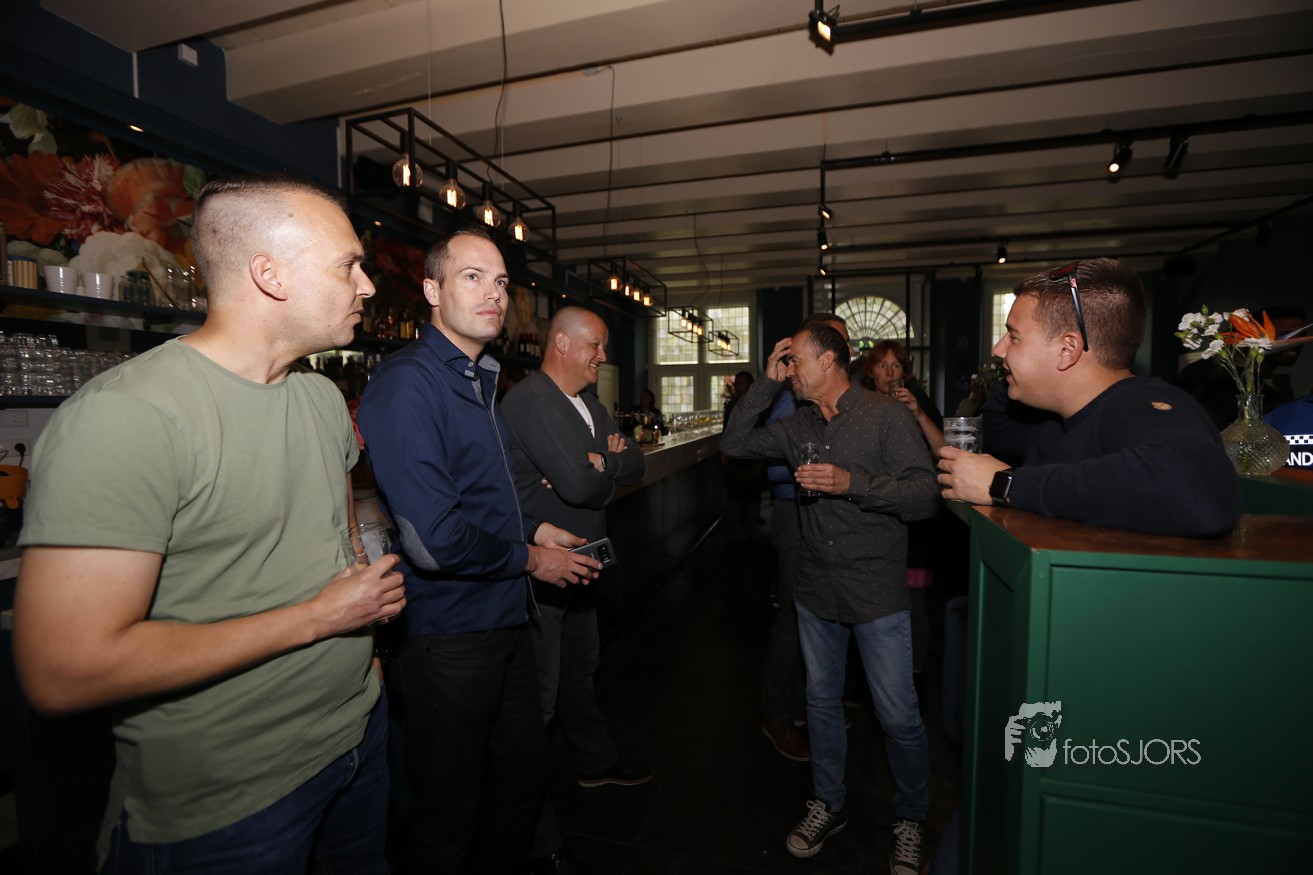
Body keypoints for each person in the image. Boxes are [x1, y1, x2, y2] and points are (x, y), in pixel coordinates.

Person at [13, 171, 407, 874]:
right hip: (230, 796)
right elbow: (63, 669)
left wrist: (361, 651)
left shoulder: (319, 397)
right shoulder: (128, 416)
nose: (367, 285)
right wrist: (318, 619)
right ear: (269, 275)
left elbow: (340, 543)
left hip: (355, 734)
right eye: (347, 265)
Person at [356, 226, 602, 874]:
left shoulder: (480, 377)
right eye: (473, 277)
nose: (494, 293)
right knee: (447, 811)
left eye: (500, 282)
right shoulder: (408, 383)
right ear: (431, 290)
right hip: (449, 636)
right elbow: (434, 540)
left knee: (522, 774)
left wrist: (534, 528)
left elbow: (483, 496)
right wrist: (533, 558)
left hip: (503, 617)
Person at [720, 321, 940, 874]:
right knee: (820, 703)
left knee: (897, 714)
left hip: (875, 590)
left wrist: (852, 484)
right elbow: (734, 442)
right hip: (816, 588)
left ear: (827, 361)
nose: (790, 369)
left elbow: (925, 496)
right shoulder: (797, 424)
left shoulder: (886, 416)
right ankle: (828, 802)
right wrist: (767, 383)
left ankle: (911, 817)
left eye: (795, 360)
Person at [500, 306, 650, 872]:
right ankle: (532, 831)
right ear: (561, 343)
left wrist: (600, 463)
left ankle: (594, 761)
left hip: (587, 562)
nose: (603, 356)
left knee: (581, 668)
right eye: (596, 345)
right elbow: (577, 486)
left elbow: (633, 462)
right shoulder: (532, 400)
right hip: (547, 568)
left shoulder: (588, 403)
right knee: (538, 698)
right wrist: (599, 468)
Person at [939, 258, 1242, 537]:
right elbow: (998, 427)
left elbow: (1198, 490)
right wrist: (1017, 369)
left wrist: (1004, 485)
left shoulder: (1142, 406)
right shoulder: (1047, 419)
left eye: (1014, 336)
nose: (998, 349)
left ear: (1067, 349)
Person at [759, 313, 850, 764]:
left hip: (824, 515)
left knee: (816, 616)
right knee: (793, 619)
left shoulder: (843, 398)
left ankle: (803, 704)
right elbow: (770, 462)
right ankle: (776, 716)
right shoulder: (790, 397)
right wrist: (812, 469)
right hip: (794, 513)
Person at [863, 340, 946, 710]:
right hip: (877, 520)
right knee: (878, 602)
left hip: (915, 522)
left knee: (915, 603)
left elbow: (944, 453)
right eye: (882, 366)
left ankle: (915, 676)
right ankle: (877, 680)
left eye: (896, 366)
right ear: (871, 372)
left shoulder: (916, 401)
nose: (890, 373)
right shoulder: (862, 406)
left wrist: (920, 414)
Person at [722, 370, 766, 546]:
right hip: (736, 460)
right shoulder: (731, 406)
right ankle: (737, 539)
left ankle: (750, 538)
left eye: (742, 384)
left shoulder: (759, 405)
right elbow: (726, 431)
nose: (739, 387)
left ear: (750, 385)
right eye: (737, 384)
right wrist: (725, 451)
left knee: (751, 500)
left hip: (753, 459)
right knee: (735, 500)